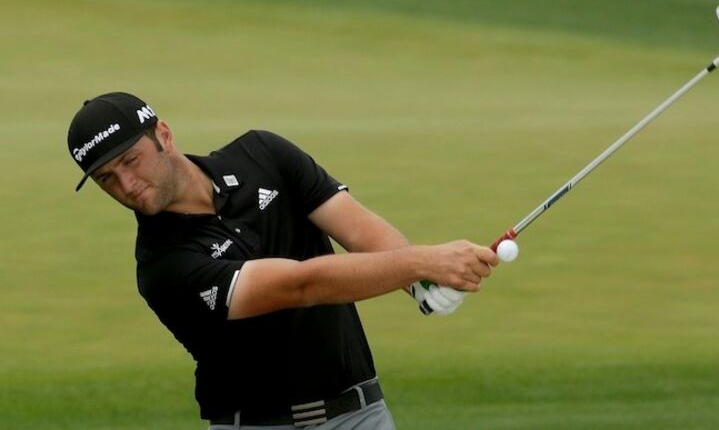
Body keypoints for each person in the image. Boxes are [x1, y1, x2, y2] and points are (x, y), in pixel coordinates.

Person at [67, 92, 498, 429]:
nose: (126, 185)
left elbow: (361, 230)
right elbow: (300, 286)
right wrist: (421, 264)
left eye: (130, 161)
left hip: (361, 414)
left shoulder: (263, 155)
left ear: (163, 135)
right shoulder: (163, 266)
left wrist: (418, 284)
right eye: (107, 178)